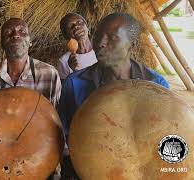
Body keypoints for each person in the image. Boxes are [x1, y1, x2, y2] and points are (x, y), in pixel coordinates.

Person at [58, 12, 170, 179]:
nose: (100, 43)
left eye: (111, 37)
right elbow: (64, 139)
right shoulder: (74, 84)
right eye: (97, 36)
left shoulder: (155, 85)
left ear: (132, 45)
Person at [0, 18, 61, 107]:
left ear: (30, 41)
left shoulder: (49, 73)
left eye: (22, 31)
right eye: (8, 32)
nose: (15, 35)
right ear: (2, 43)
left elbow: (55, 116)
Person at [57, 13, 97, 82]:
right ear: (66, 36)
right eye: (70, 26)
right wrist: (73, 71)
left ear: (87, 27)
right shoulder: (64, 61)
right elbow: (65, 89)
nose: (76, 26)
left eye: (80, 22)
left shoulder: (102, 49)